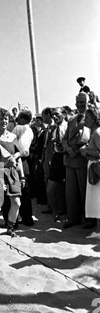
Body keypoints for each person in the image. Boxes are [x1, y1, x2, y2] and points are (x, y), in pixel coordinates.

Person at [62, 92, 92, 228]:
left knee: (84, 191)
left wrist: (80, 149)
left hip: (82, 159)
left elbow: (94, 138)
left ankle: (89, 220)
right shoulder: (72, 119)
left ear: (88, 102)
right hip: (69, 160)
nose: (80, 105)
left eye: (82, 102)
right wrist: (68, 149)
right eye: (78, 102)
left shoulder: (92, 118)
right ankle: (73, 218)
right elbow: (64, 138)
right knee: (71, 192)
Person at [0, 107, 25, 235]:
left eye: (6, 118)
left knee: (16, 202)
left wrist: (22, 176)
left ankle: (11, 227)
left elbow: (18, 156)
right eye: (1, 118)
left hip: (12, 171)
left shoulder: (13, 136)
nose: (4, 121)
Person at [80, 108, 100, 233]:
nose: (84, 120)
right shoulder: (95, 132)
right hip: (93, 167)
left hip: (96, 169)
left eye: (87, 118)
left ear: (93, 119)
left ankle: (98, 231)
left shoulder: (97, 133)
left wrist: (86, 151)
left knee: (97, 200)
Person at [46, 107, 68, 222]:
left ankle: (70, 214)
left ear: (63, 114)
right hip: (56, 158)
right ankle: (55, 212)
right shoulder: (54, 128)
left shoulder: (68, 127)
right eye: (53, 115)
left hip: (66, 158)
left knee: (68, 189)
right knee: (50, 189)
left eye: (57, 114)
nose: (54, 117)